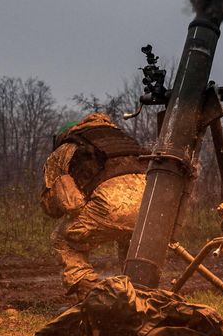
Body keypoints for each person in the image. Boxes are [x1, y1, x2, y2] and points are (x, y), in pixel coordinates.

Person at [41, 113, 148, 299]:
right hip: (150, 208)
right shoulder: (124, 140)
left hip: (110, 208)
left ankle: (94, 296)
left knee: (63, 240)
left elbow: (62, 206)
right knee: (131, 241)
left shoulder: (65, 149)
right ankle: (139, 292)